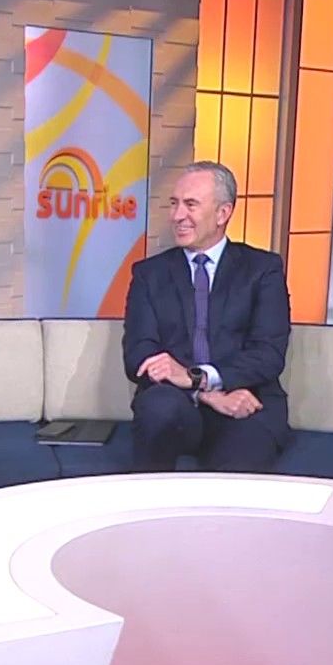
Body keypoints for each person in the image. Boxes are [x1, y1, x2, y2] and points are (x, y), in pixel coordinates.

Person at [122, 162, 292, 472]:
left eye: (190, 205)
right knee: (158, 407)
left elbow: (268, 354)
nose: (177, 216)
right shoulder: (149, 274)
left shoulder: (262, 269)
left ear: (222, 213)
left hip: (244, 397)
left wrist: (200, 378)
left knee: (242, 455)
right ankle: (148, 501)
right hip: (176, 404)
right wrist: (204, 392)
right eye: (174, 203)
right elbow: (138, 355)